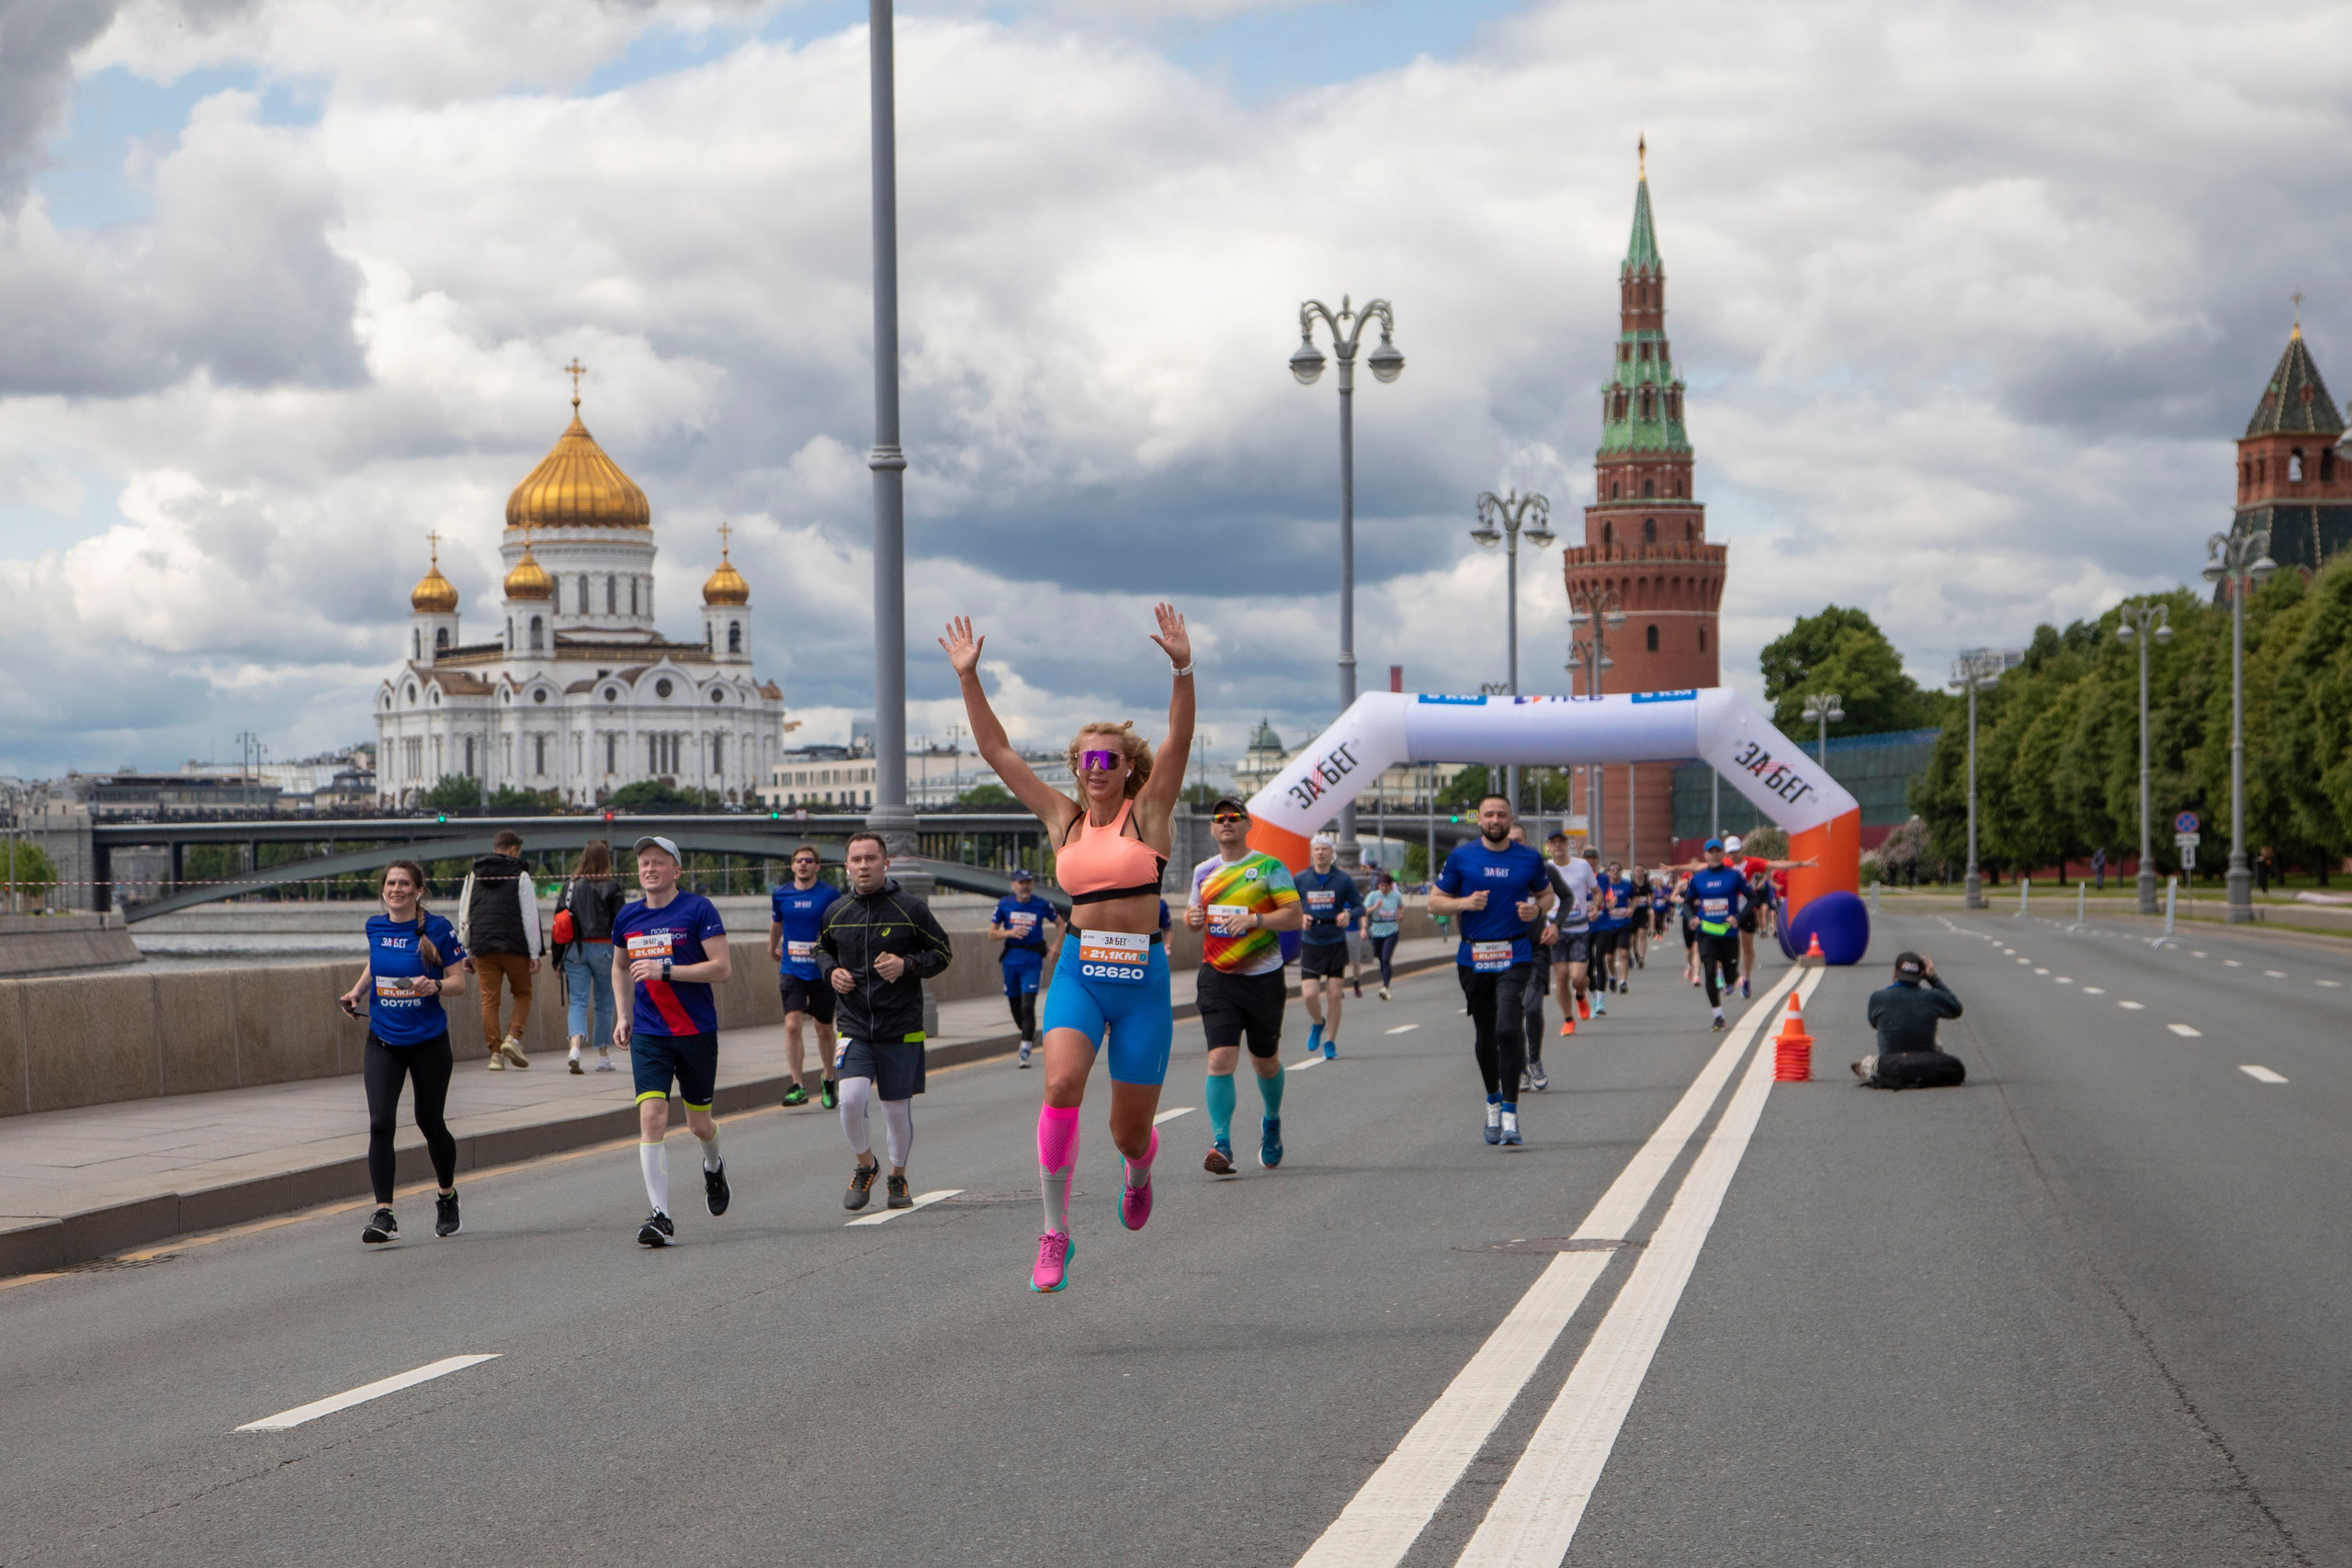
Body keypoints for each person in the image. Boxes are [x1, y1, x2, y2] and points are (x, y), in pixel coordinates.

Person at [941, 605, 1193, 1294]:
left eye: (1108, 758)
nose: (1095, 768)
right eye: (1085, 759)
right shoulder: (1063, 818)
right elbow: (998, 753)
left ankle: (1139, 1169)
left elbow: (1178, 736)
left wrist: (1181, 667)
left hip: (1140, 980)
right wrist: (970, 678)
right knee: (1059, 1086)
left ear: (1128, 766)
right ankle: (1055, 1232)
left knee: (1127, 1132)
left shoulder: (1153, 810)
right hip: (1080, 968)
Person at [821, 831, 955, 1212]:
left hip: (902, 1025)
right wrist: (831, 971)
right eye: (856, 860)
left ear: (885, 863)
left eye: (870, 859)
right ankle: (867, 1165)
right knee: (850, 1099)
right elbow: (821, 950)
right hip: (854, 1025)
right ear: (847, 865)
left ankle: (897, 1176)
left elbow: (942, 952)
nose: (863, 866)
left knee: (895, 1109)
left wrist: (907, 964)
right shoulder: (836, 912)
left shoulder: (909, 908)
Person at [610, 835, 733, 1248]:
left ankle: (713, 1166)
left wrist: (667, 971)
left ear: (676, 871)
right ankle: (660, 1216)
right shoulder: (627, 917)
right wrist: (623, 1014)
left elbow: (722, 969)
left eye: (659, 862)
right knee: (652, 1118)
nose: (650, 869)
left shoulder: (698, 909)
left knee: (699, 1123)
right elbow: (620, 967)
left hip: (695, 1030)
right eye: (644, 862)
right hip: (649, 1033)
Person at [341, 861, 469, 1245]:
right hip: (383, 1039)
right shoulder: (375, 926)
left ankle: (446, 1196)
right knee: (381, 1122)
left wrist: (437, 987)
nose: (397, 889)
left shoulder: (439, 928)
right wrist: (357, 992)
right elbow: (378, 965)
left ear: (418, 891)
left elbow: (460, 981)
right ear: (383, 890)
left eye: (405, 883)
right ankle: (384, 1213)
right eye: (391, 883)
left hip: (428, 1041)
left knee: (430, 1122)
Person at [1183, 797, 1304, 1174]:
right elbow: (1192, 918)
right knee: (1220, 1059)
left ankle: (1271, 1121)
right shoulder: (1203, 871)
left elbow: (1294, 916)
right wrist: (1191, 916)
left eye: (1234, 817)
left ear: (1247, 824)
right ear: (1212, 828)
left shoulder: (1269, 867)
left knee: (1265, 1062)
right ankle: (1222, 1143)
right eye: (1219, 818)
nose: (1227, 823)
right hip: (1218, 978)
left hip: (1263, 978)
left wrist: (1256, 921)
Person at [1428, 794, 1553, 1147]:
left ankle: (1511, 1115)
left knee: (1508, 1029)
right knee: (1485, 1033)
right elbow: (1434, 900)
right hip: (1474, 957)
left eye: (1502, 814)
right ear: (1479, 820)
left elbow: (1547, 896)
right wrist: (1464, 903)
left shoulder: (1529, 858)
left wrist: (1536, 910)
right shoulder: (1462, 857)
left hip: (1515, 953)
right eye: (1489, 815)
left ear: (1511, 819)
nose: (1495, 820)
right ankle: (1493, 1102)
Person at [768, 845, 842, 1108]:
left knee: (823, 1028)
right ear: (792, 865)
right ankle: (798, 1085)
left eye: (808, 861)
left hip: (821, 969)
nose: (803, 865)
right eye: (798, 861)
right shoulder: (781, 893)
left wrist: (830, 950)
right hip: (791, 969)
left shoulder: (830, 894)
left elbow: (838, 925)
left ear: (817, 866)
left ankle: (829, 1077)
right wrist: (771, 947)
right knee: (792, 1025)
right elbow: (777, 922)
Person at [463, 828, 542, 1069]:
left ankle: (495, 1055)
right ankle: (512, 1037)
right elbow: (529, 916)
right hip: (515, 945)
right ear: (513, 850)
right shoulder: (521, 874)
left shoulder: (473, 874)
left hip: (483, 945)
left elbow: (464, 913)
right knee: (522, 993)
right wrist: (534, 952)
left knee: (489, 1001)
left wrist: (467, 950)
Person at [558, 839, 625, 1074]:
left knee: (578, 1000)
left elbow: (560, 922)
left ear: (583, 858)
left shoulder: (570, 886)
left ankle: (575, 1048)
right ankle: (603, 1055)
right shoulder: (612, 887)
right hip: (605, 949)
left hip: (575, 949)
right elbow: (621, 923)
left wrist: (557, 960)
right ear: (605, 860)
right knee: (605, 1002)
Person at [1295, 834, 1363, 1060]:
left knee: (1334, 994)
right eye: (1317, 849)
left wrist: (1348, 913)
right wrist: (1300, 916)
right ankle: (1318, 1023)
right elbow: (1289, 905)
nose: (1321, 853)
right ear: (1312, 852)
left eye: (1325, 849)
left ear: (1332, 853)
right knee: (1309, 994)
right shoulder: (1301, 879)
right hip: (1311, 941)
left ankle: (1331, 1042)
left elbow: (1359, 906)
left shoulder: (1342, 880)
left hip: (1335, 941)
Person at [1856, 951, 1963, 1085]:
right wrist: (1933, 978)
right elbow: (1956, 1009)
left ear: (1895, 973)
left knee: (1880, 1062)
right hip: (1926, 1059)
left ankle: (1870, 1064)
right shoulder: (1932, 997)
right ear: (1921, 975)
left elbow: (1875, 1024)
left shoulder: (1877, 998)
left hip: (1891, 1062)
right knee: (1952, 1064)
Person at [989, 868, 1061, 1067]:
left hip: (1032, 960)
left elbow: (1061, 924)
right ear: (1013, 885)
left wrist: (1056, 945)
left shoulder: (1041, 904)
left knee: (1027, 1006)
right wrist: (1010, 933)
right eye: (1021, 882)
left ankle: (1025, 1050)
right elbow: (992, 934)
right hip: (1011, 960)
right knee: (1015, 1006)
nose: (1025, 886)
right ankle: (1028, 1033)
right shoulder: (1005, 904)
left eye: (1028, 882)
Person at [1683, 839, 1750, 1031]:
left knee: (1731, 977)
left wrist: (1739, 916)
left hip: (1728, 934)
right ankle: (1717, 1015)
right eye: (1710, 852)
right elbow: (1687, 903)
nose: (1714, 855)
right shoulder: (1698, 879)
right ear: (1705, 855)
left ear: (1723, 854)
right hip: (1706, 932)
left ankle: (1732, 978)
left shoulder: (1734, 876)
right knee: (1710, 969)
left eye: (1717, 851)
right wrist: (1691, 917)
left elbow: (1753, 898)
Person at [1543, 831, 1595, 1040]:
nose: (1557, 846)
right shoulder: (1544, 869)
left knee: (1578, 977)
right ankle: (1568, 1019)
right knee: (1562, 976)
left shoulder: (1582, 866)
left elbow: (1596, 890)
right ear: (1548, 846)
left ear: (1568, 845)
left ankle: (1581, 995)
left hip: (1580, 928)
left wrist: (1597, 906)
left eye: (1561, 842)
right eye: (1553, 843)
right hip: (1555, 928)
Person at [1583, 847, 1614, 1017]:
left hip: (1603, 923)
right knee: (1587, 962)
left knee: (1600, 958)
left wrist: (1610, 902)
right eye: (1587, 858)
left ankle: (1601, 999)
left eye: (1594, 858)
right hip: (1583, 926)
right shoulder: (1578, 878)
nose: (1591, 861)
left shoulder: (1603, 878)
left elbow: (1609, 896)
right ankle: (1594, 996)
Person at [1364, 872, 1404, 1000]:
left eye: (1386, 886)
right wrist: (1375, 907)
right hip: (1376, 930)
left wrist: (1400, 914)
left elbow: (1401, 907)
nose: (1383, 888)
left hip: (1391, 930)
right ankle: (1387, 980)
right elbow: (1363, 911)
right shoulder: (1373, 896)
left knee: (1386, 958)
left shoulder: (1395, 896)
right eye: (1381, 885)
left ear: (1391, 886)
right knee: (1381, 959)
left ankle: (1386, 987)